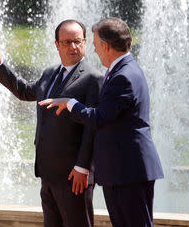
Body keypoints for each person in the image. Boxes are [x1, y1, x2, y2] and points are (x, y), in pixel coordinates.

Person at [39, 17, 164, 227]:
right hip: (122, 172)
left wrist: (70, 103)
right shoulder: (123, 70)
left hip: (127, 171)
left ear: (106, 46)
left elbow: (99, 118)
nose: (95, 51)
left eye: (95, 45)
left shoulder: (123, 75)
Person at [0, 19, 102, 227]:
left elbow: (93, 127)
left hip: (75, 175)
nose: (73, 47)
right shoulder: (50, 73)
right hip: (48, 172)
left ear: (84, 42)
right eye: (67, 42)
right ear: (57, 45)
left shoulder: (94, 78)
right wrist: (0, 65)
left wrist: (84, 167)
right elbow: (24, 91)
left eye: (77, 41)